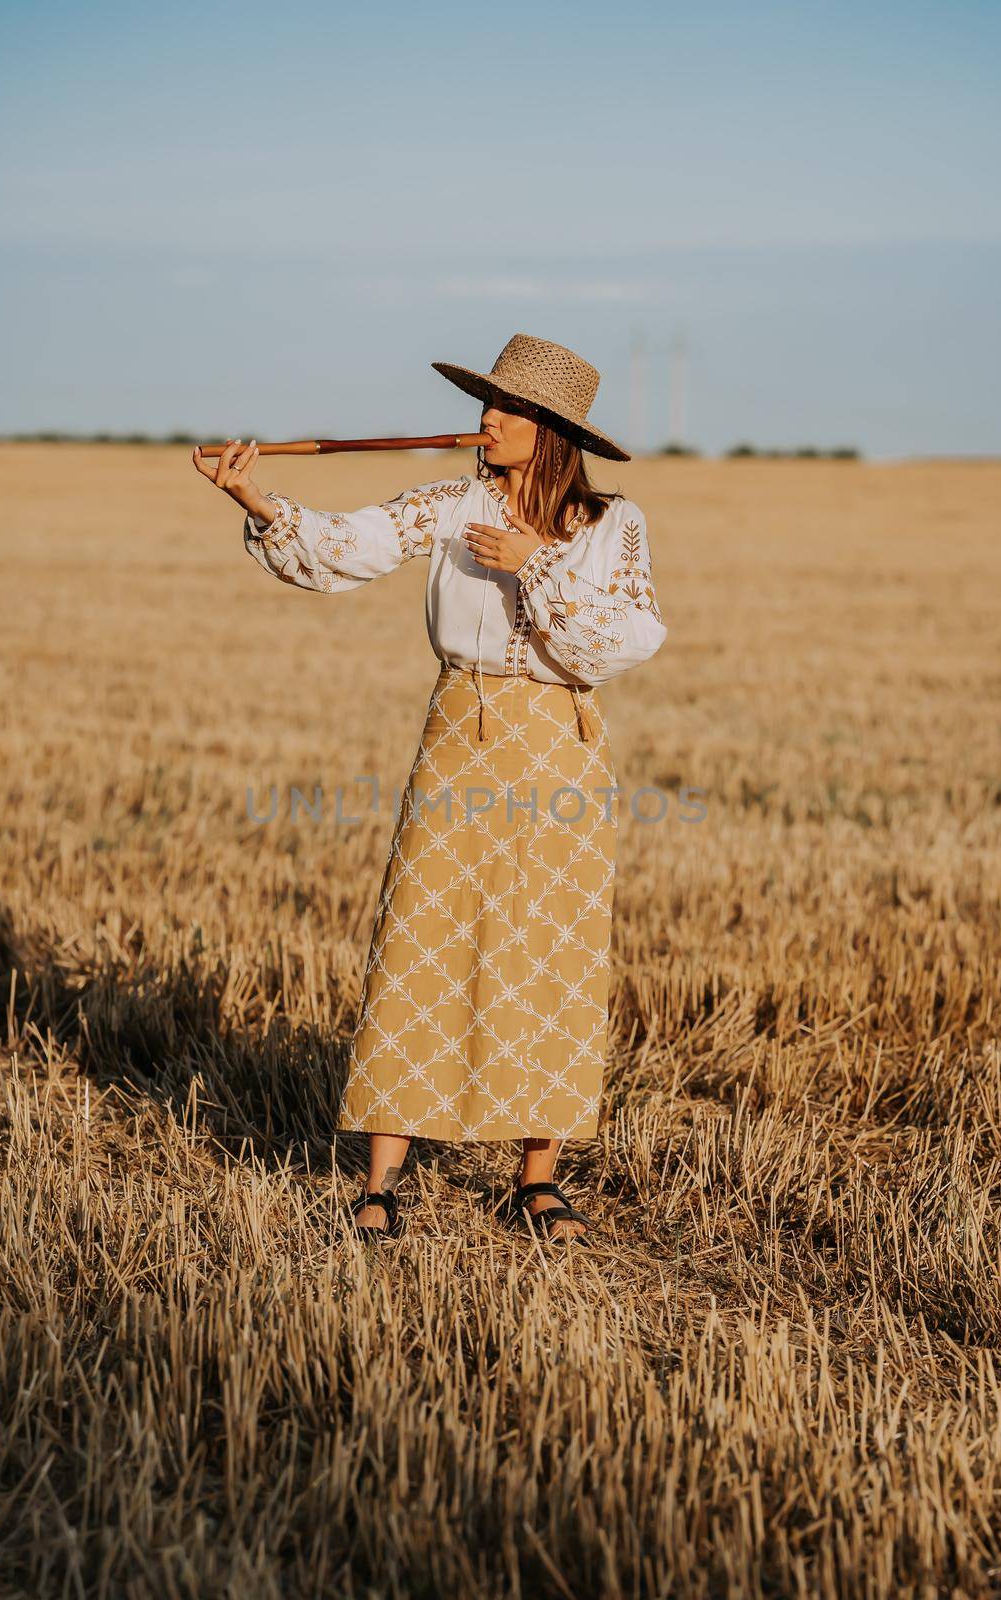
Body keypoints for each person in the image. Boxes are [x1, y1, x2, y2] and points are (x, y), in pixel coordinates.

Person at [192, 333, 667, 1244]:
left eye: (507, 408)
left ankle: (537, 1181)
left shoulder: (614, 524)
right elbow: (340, 549)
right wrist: (253, 494)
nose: (484, 418)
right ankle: (379, 1182)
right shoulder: (449, 503)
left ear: (551, 430)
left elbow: (622, 642)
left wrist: (537, 563)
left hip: (562, 742)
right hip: (460, 730)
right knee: (421, 939)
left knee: (553, 952)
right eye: (485, 403)